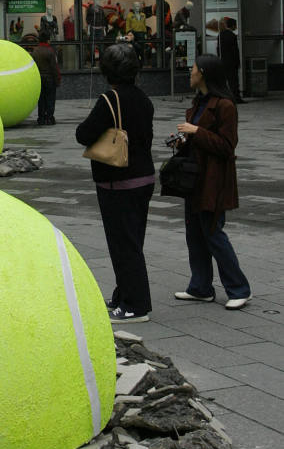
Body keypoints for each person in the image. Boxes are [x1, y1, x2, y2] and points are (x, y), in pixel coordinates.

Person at [75, 42, 155, 323]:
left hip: (118, 181)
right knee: (132, 240)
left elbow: (83, 134)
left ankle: (136, 305)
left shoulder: (109, 100)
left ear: (107, 71)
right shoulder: (144, 99)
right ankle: (123, 295)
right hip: (144, 177)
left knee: (124, 244)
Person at [173, 55, 251, 309]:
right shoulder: (199, 102)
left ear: (203, 73)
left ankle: (239, 288)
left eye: (193, 69)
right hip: (194, 178)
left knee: (213, 233)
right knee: (194, 234)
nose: (190, 73)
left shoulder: (225, 105)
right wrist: (183, 139)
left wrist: (197, 132)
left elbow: (227, 146)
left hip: (214, 180)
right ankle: (200, 287)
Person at [31, 30, 60, 125]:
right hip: (49, 79)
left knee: (41, 99)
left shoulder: (35, 51)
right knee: (50, 99)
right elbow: (54, 68)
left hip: (39, 79)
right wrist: (57, 79)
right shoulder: (50, 51)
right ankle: (50, 117)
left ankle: (41, 118)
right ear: (48, 40)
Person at [218, 17, 243, 102]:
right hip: (232, 62)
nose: (236, 27)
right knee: (234, 81)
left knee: (224, 81)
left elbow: (219, 49)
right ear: (232, 26)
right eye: (235, 25)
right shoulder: (232, 35)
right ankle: (236, 97)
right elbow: (235, 51)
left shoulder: (220, 35)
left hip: (223, 61)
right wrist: (237, 62)